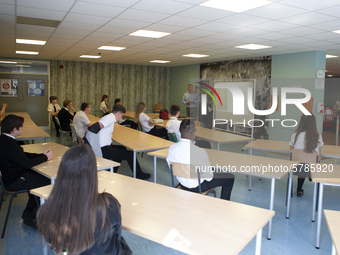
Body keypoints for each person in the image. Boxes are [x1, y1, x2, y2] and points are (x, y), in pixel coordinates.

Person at [37, 144, 132, 255]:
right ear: (92, 173)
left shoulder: (47, 210)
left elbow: (59, 247)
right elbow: (116, 236)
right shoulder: (109, 204)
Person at [0, 114, 53, 229]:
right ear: (14, 130)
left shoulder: (5, 139)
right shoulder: (9, 144)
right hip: (14, 180)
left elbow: (22, 155)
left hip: (11, 176)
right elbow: (26, 163)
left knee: (39, 179)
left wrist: (41, 155)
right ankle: (32, 217)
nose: (23, 128)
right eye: (22, 127)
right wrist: (45, 158)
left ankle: (30, 212)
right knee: (48, 181)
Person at [166, 119, 234, 200]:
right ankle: (224, 205)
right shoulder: (200, 151)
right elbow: (209, 178)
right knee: (230, 177)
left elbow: (171, 168)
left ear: (180, 131)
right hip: (198, 186)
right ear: (193, 133)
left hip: (182, 184)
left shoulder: (171, 148)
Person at [86, 104, 151, 180]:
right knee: (131, 154)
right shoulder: (109, 118)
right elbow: (93, 128)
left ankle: (111, 173)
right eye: (122, 115)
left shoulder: (109, 117)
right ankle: (139, 174)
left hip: (105, 147)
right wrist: (88, 144)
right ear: (118, 114)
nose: (121, 117)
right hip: (104, 150)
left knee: (122, 148)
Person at [289, 114, 324, 197]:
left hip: (297, 167)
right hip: (312, 167)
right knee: (312, 163)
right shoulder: (317, 136)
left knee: (302, 163)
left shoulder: (294, 135)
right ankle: (312, 178)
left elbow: (291, 150)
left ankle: (299, 190)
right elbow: (319, 153)